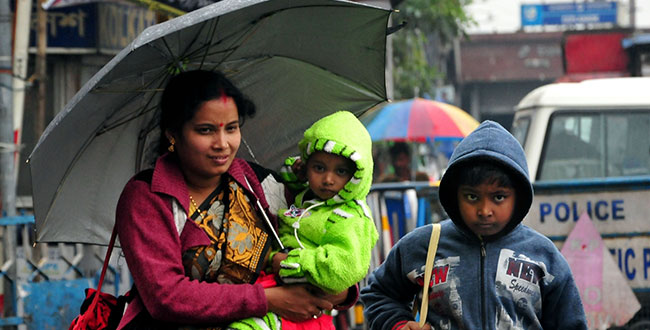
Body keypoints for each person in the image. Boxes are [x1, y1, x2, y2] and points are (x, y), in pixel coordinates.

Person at [115, 70, 355, 329]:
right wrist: (266, 299)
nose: (223, 143)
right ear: (173, 134)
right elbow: (166, 295)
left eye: (231, 128)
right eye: (205, 131)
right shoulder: (148, 197)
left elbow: (313, 236)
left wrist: (336, 289)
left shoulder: (260, 184)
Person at [360, 120, 587, 330]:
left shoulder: (543, 256)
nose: (484, 210)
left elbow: (571, 323)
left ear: (518, 196)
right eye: (471, 197)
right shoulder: (425, 245)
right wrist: (398, 325)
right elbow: (378, 294)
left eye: (498, 197)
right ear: (454, 195)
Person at [228, 111, 379, 329]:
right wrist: (296, 172)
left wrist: (292, 263)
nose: (328, 179)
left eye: (341, 171)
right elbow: (294, 183)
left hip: (306, 310)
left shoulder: (350, 217)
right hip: (274, 291)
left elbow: (342, 268)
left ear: (357, 175)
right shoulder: (309, 197)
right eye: (319, 168)